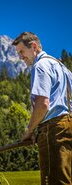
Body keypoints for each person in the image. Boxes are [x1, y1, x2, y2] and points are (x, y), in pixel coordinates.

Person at [12, 32, 72, 185]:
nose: (20, 57)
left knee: (54, 180)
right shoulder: (61, 66)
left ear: (33, 47)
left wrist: (30, 130)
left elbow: (42, 104)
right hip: (68, 125)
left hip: (54, 129)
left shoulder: (40, 66)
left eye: (21, 52)